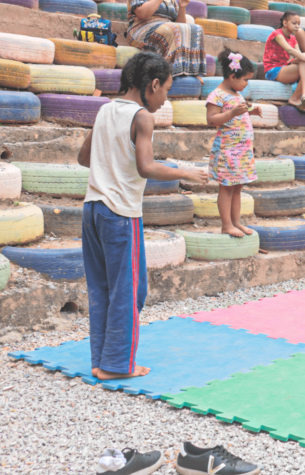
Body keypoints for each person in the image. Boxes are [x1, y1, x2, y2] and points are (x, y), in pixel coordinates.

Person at [77, 53, 208, 380]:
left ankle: (101, 360)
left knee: (102, 287)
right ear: (152, 85)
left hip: (92, 208)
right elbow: (146, 167)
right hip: (120, 213)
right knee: (130, 290)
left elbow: (83, 157)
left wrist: (110, 164)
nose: (166, 98)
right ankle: (118, 365)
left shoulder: (106, 109)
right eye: (166, 90)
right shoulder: (142, 117)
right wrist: (186, 172)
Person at [206, 51, 261, 237]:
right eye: (245, 80)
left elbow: (238, 113)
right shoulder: (217, 95)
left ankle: (236, 223)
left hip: (242, 149)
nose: (247, 84)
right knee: (227, 187)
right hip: (228, 148)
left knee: (238, 187)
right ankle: (226, 225)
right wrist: (232, 113)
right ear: (232, 76)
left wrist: (251, 112)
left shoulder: (237, 94)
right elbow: (212, 120)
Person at [126, 0, 205, 79]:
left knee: (197, 29)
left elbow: (180, 24)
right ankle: (169, 71)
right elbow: (142, 14)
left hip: (167, 27)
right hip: (142, 29)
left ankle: (189, 70)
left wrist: (182, 8)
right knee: (171, 28)